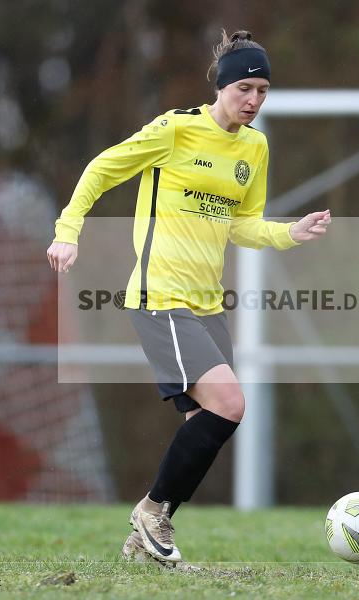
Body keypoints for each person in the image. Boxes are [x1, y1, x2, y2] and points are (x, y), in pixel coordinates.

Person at [47, 29, 331, 566]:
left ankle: (143, 545)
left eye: (263, 91)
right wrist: (69, 229)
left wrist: (289, 233)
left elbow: (242, 225)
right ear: (222, 86)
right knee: (230, 405)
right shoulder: (176, 130)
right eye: (245, 87)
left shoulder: (256, 147)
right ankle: (151, 512)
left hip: (206, 305)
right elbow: (103, 168)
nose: (254, 101)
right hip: (159, 297)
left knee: (202, 425)